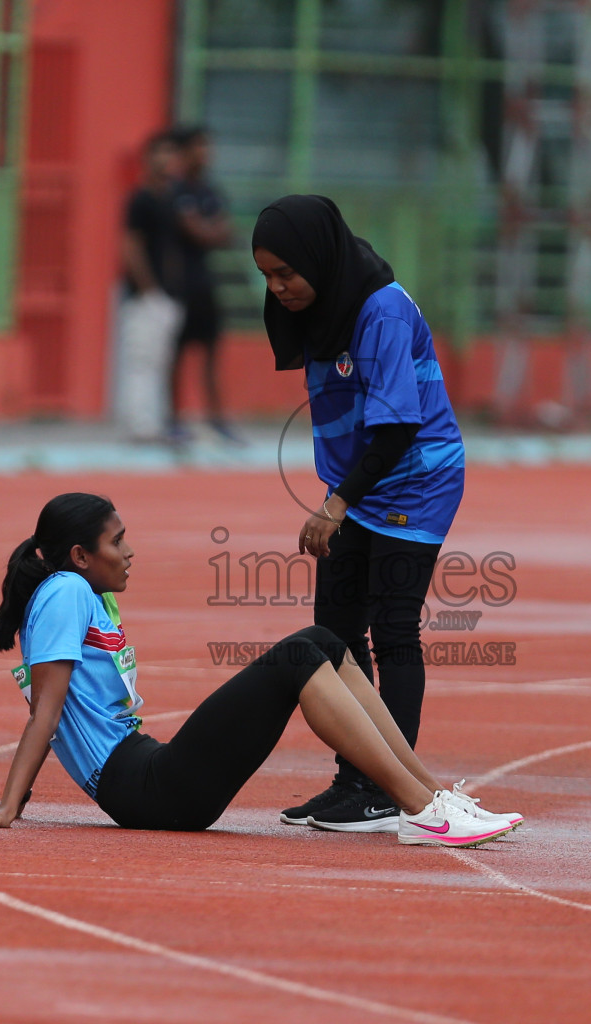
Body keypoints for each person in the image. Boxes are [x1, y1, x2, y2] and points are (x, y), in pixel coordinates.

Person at [0, 492, 520, 847]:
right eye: (118, 542)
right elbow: (47, 713)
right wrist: (11, 807)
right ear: (81, 556)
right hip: (146, 790)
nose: (130, 552)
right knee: (299, 656)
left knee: (321, 639)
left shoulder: (80, 590)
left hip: (149, 773)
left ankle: (429, 797)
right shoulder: (64, 591)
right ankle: (421, 812)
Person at [251, 195, 468, 833]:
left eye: (287, 273)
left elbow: (399, 426)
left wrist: (336, 503)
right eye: (265, 275)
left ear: (320, 257)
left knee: (394, 630)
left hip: (416, 478)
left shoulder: (383, 309)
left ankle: (389, 789)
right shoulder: (321, 308)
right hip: (357, 484)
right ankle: (356, 782)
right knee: (336, 635)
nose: (278, 288)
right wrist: (341, 494)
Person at [167, 125, 239, 444]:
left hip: (205, 284)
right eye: (198, 147)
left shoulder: (211, 191)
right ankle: (173, 418)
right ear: (184, 153)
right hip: (179, 285)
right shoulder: (175, 192)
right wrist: (206, 230)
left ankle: (217, 418)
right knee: (176, 353)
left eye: (207, 146)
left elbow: (225, 233)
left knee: (211, 351)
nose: (205, 153)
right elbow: (197, 232)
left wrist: (206, 230)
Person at [116, 132, 185, 441]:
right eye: (161, 153)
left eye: (171, 154)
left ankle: (154, 422)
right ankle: (139, 425)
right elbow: (131, 245)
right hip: (147, 296)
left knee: (159, 360)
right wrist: (149, 289)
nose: (166, 160)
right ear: (148, 159)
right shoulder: (140, 199)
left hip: (168, 295)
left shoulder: (170, 199)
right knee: (141, 359)